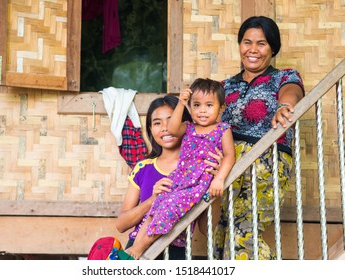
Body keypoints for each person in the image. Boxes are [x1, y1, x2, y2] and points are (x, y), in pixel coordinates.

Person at [213, 16, 305, 260]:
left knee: (243, 235)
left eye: (261, 43)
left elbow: (292, 91)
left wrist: (284, 105)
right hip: (228, 165)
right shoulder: (224, 86)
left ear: (273, 48)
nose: (253, 50)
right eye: (247, 42)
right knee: (223, 235)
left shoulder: (283, 77)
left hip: (265, 161)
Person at [125, 78, 236, 259]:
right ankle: (136, 247)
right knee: (156, 206)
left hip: (196, 183)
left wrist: (219, 179)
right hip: (181, 179)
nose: (202, 110)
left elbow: (230, 156)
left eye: (209, 105)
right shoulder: (189, 128)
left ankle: (138, 249)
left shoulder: (222, 129)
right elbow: (173, 127)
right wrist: (182, 103)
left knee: (168, 206)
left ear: (221, 109)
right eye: (197, 105)